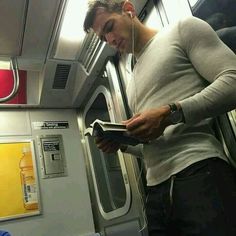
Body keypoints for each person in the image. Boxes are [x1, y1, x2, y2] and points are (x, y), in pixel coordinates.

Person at [83, 0, 236, 235]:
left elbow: (232, 80)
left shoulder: (182, 30)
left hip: (198, 172)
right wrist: (123, 143)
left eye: (110, 27)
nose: (111, 40)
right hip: (155, 192)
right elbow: (154, 144)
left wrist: (170, 112)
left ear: (128, 9)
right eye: (104, 39)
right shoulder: (132, 80)